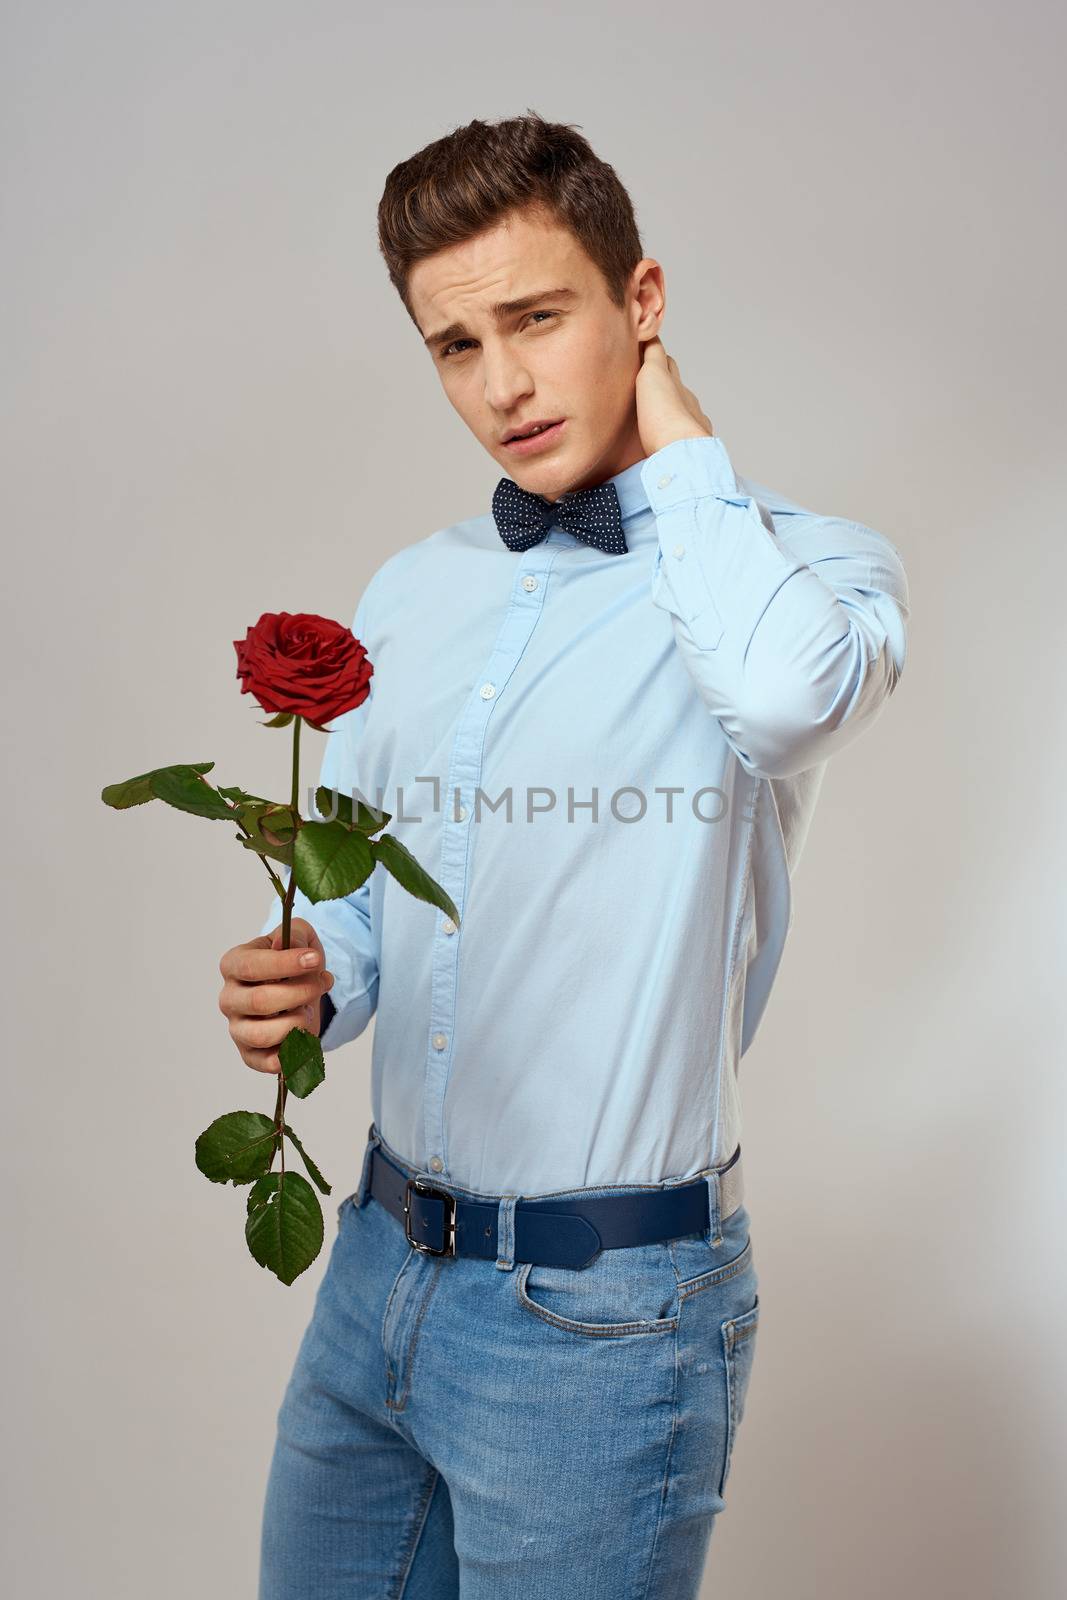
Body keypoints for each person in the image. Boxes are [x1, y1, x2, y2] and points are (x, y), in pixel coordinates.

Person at [217, 110, 910, 1599]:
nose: (504, 384)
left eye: (537, 317)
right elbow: (364, 902)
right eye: (456, 345)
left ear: (640, 302)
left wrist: (682, 447)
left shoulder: (797, 574)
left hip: (601, 1325)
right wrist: (306, 984)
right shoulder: (412, 592)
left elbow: (790, 708)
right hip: (375, 1274)